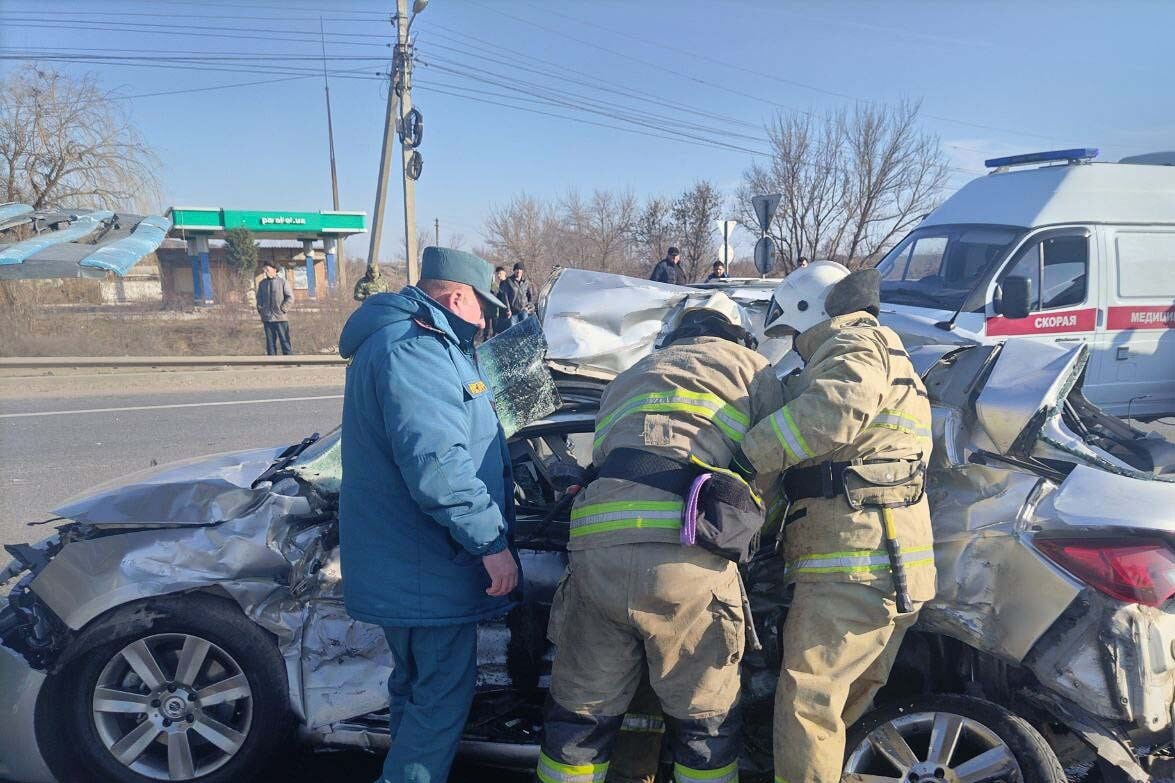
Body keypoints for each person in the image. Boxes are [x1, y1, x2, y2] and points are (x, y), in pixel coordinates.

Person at [538, 293, 783, 783]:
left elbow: (606, 454)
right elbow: (772, 469)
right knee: (703, 726)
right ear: (738, 334)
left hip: (596, 557)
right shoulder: (752, 369)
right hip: (686, 564)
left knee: (580, 720)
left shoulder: (629, 375)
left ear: (672, 334)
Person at [730, 261, 936, 783]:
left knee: (808, 703)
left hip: (852, 562)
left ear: (811, 309)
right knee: (836, 715)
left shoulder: (851, 344)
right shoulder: (896, 354)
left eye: (793, 332)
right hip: (897, 565)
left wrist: (744, 458)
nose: (794, 345)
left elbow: (831, 414)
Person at [337, 246, 520, 783]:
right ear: (458, 296)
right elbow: (439, 471)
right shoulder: (418, 350)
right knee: (438, 702)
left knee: (415, 692)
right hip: (426, 565)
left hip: (410, 564)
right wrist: (493, 545)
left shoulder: (411, 342)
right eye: (484, 308)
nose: (486, 321)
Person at [256, 261, 293, 355]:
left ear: (275, 270)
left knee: (285, 341)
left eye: (267, 270)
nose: (266, 272)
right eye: (264, 270)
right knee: (270, 343)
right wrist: (261, 310)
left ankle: (290, 362)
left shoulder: (283, 282)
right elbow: (259, 298)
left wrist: (283, 309)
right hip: (267, 318)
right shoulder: (262, 284)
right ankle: (272, 364)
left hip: (280, 317)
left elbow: (290, 297)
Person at [497, 261, 536, 331]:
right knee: (513, 330)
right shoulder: (508, 281)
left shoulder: (526, 282)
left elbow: (531, 296)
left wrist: (528, 307)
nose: (518, 272)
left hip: (524, 310)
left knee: (525, 330)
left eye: (520, 270)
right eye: (517, 270)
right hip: (513, 312)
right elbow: (505, 296)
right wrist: (508, 310)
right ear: (514, 271)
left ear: (522, 271)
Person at [484, 265, 509, 338]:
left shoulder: (506, 283)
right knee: (491, 330)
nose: (498, 275)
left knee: (498, 330)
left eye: (500, 273)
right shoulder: (499, 284)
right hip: (496, 311)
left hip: (502, 311)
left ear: (504, 273)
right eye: (497, 274)